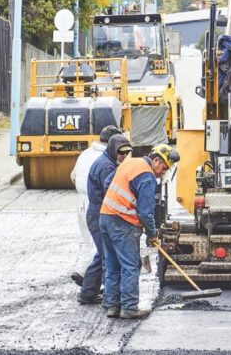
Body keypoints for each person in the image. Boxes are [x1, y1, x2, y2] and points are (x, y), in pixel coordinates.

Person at [99, 143, 179, 319]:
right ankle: (129, 308)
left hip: (105, 216)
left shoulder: (129, 162)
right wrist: (152, 234)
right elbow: (145, 212)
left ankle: (112, 305)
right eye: (163, 167)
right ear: (156, 159)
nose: (163, 172)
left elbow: (107, 183)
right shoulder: (147, 177)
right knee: (131, 265)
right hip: (123, 223)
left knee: (112, 264)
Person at [77, 134, 133, 305]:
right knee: (107, 258)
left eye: (126, 153)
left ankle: (88, 292)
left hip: (95, 212)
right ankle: (104, 297)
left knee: (102, 255)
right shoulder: (106, 167)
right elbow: (112, 193)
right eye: (120, 153)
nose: (123, 156)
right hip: (99, 214)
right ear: (112, 149)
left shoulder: (106, 161)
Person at [70, 125, 122, 287]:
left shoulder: (86, 153)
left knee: (88, 240)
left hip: (82, 202)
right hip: (97, 203)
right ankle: (93, 282)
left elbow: (73, 176)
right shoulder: (106, 160)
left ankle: (82, 272)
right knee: (101, 246)